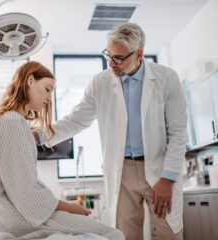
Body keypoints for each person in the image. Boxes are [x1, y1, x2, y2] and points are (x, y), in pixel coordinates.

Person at [36, 23, 187, 240]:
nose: (111, 63)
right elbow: (76, 120)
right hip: (122, 170)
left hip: (159, 169)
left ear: (139, 54)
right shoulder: (101, 82)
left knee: (169, 233)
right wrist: (41, 135)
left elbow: (178, 132)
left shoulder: (166, 78)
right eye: (109, 54)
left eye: (119, 58)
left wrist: (168, 178)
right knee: (126, 236)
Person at [0, 61, 124, 240]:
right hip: (20, 221)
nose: (48, 98)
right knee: (112, 234)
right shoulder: (12, 122)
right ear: (30, 80)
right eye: (47, 89)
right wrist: (69, 207)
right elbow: (25, 192)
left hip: (9, 218)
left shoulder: (10, 122)